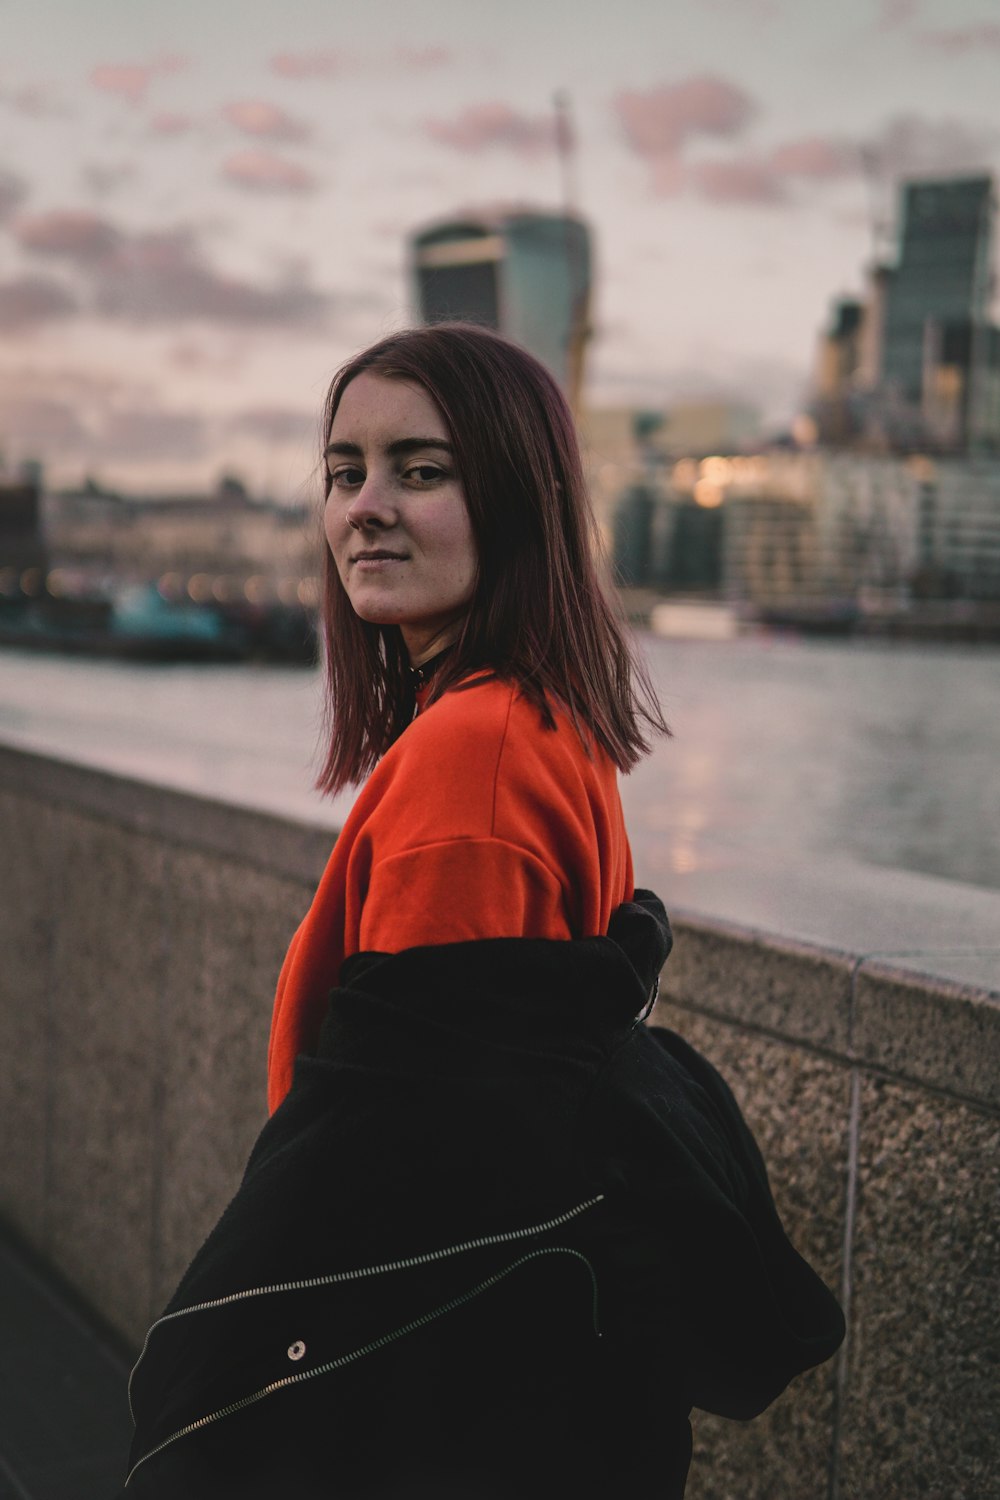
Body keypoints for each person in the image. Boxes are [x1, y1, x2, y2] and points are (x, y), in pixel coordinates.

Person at [123, 325, 844, 1499]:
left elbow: (416, 1182)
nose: (366, 506)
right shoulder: (531, 715)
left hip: (452, 1416)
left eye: (421, 470)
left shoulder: (474, 755)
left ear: (517, 500)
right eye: (344, 472)